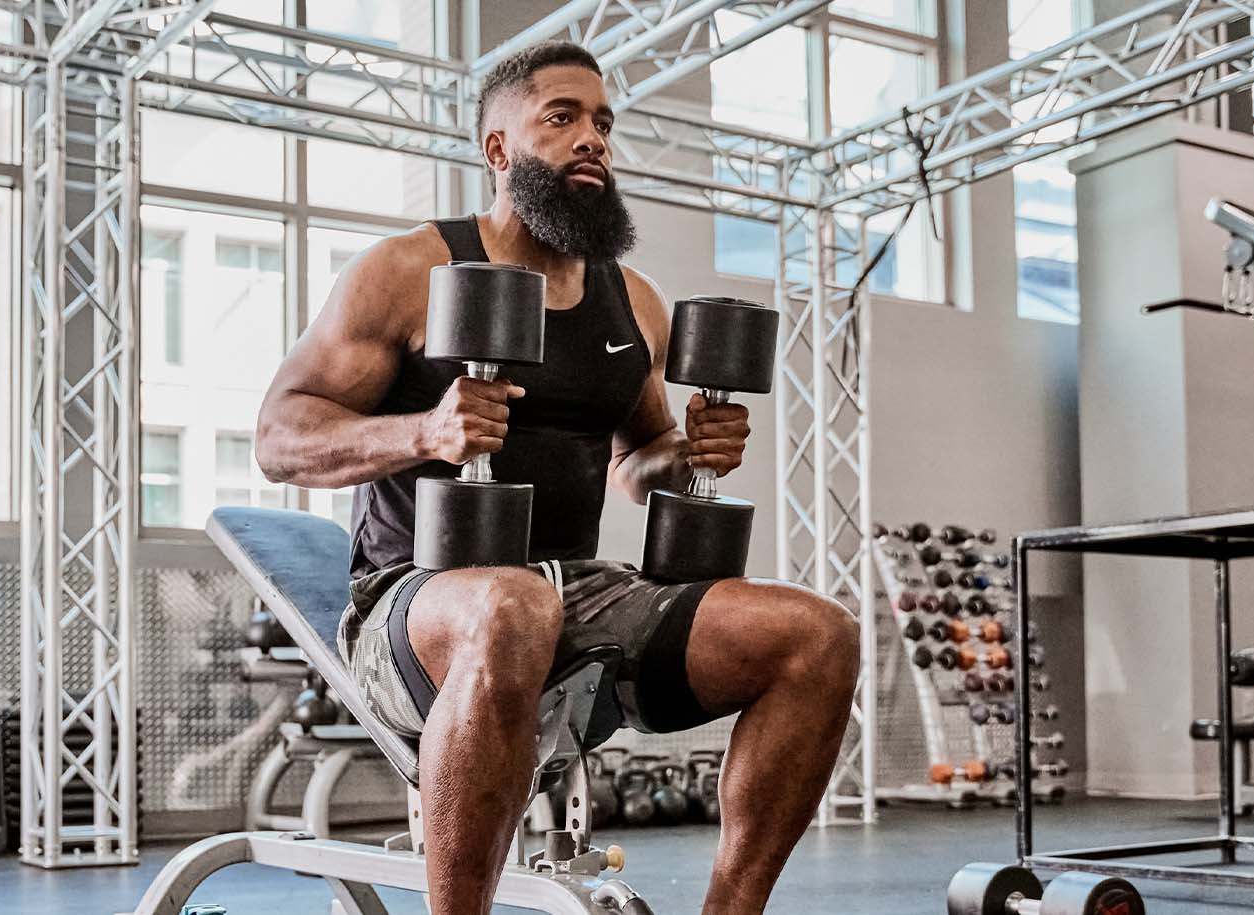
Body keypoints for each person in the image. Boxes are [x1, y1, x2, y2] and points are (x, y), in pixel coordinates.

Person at [255, 40, 859, 915]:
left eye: (604, 124)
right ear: (499, 150)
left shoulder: (633, 301)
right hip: (416, 598)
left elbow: (636, 466)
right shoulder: (406, 272)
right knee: (511, 605)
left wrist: (688, 452)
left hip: (577, 589)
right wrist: (427, 428)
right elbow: (279, 437)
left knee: (819, 633)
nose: (593, 140)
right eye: (563, 117)